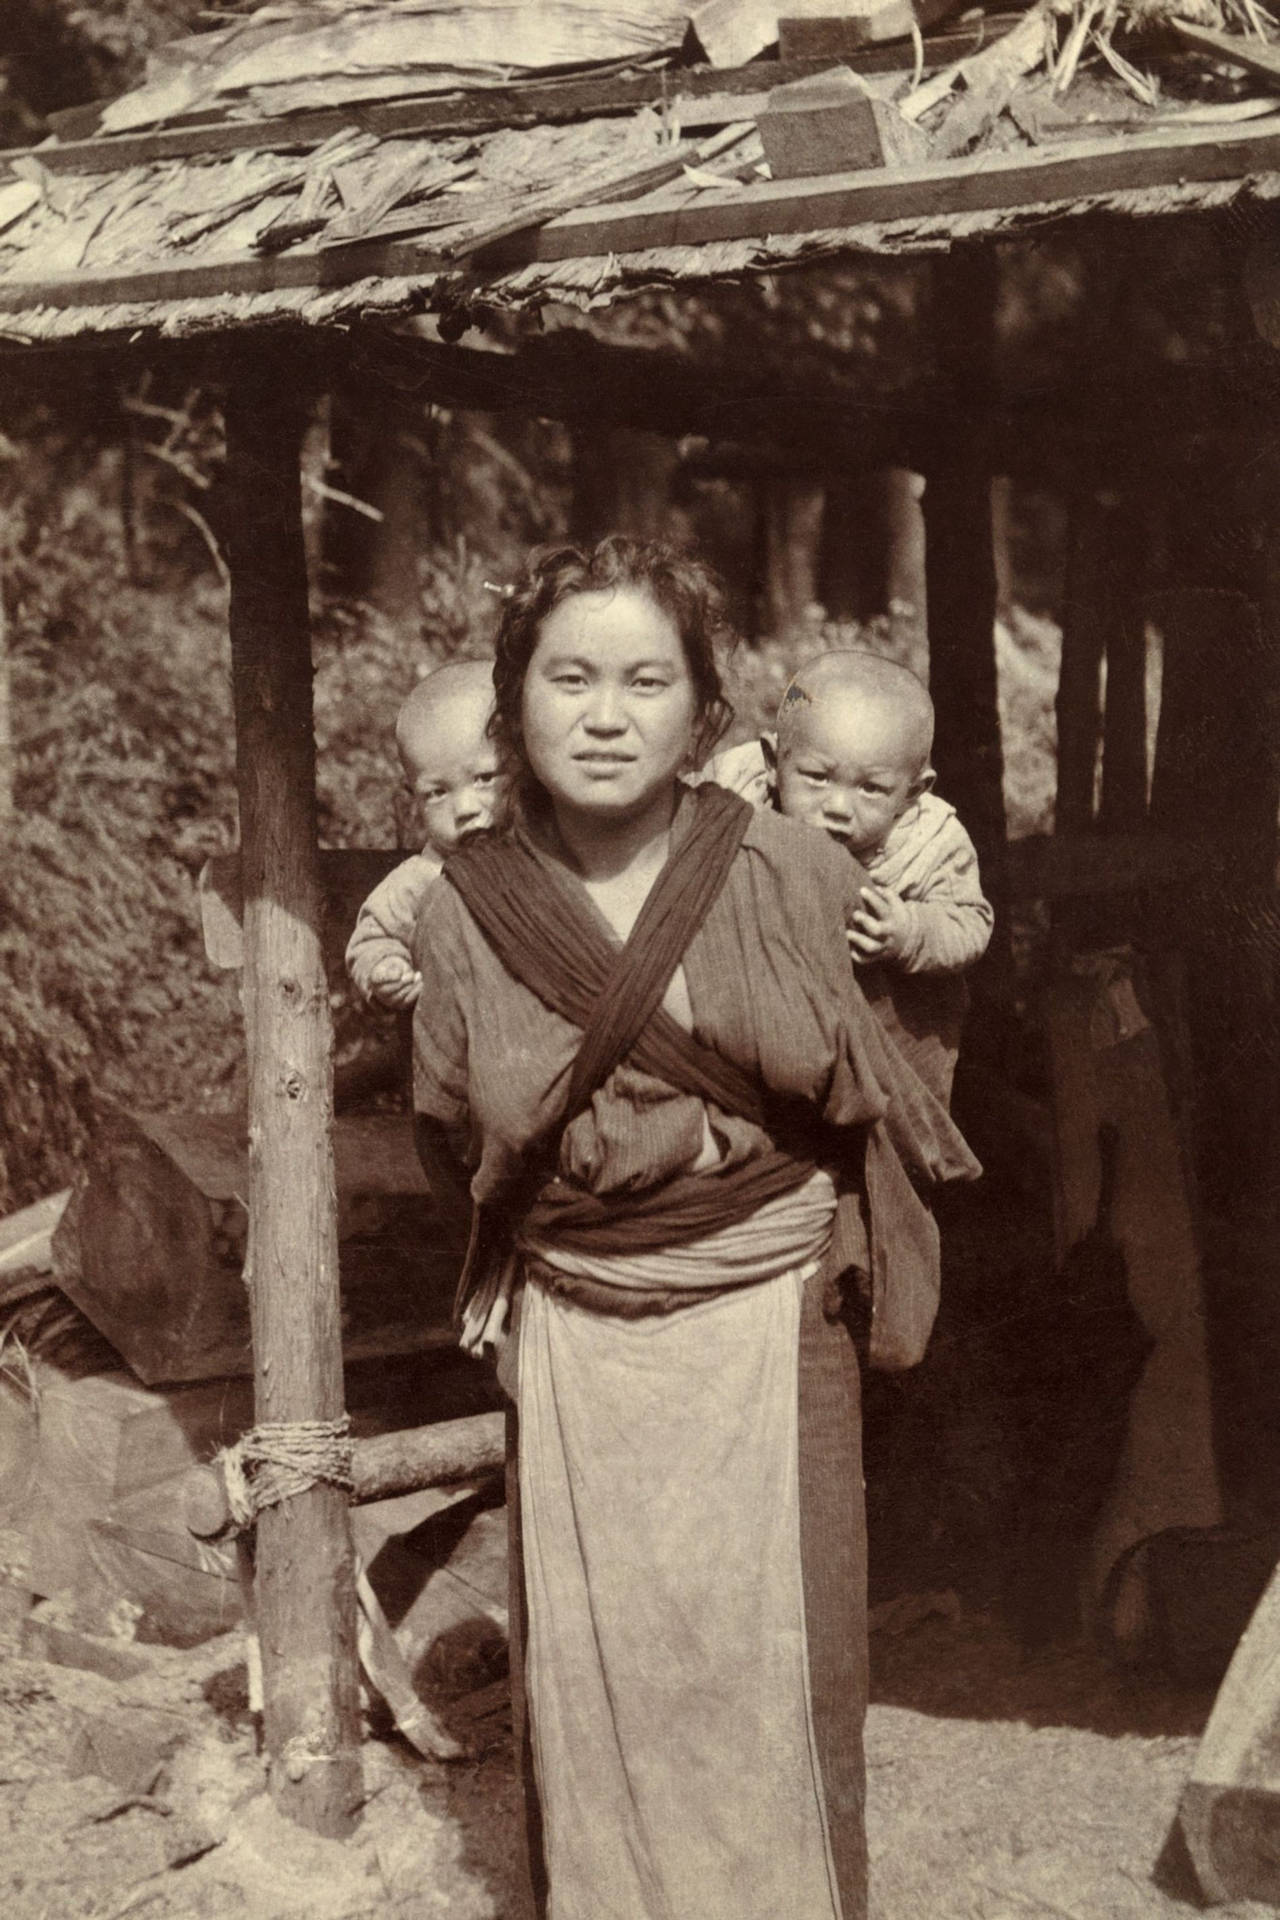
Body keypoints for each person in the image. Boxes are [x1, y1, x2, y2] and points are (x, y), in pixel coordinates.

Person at [410, 537, 980, 1920]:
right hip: (575, 1344)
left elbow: (899, 1071)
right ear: (514, 705)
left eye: (647, 681)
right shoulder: (461, 910)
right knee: (596, 1690)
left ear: (705, 715)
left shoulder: (794, 871)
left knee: (781, 1679)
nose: (606, 715)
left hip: (767, 1324)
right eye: (571, 678)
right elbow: (450, 1129)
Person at [705, 649, 993, 1105]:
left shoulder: (930, 841)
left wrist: (910, 931)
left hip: (889, 1019)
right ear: (772, 761)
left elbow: (970, 921)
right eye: (818, 777)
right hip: (771, 1010)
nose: (838, 808)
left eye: (871, 789)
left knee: (896, 1117)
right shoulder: (733, 788)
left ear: (913, 793)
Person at [344, 658, 497, 1009]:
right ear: (414, 798)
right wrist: (386, 967)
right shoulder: (421, 878)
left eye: (485, 779)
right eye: (437, 793)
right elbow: (374, 936)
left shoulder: (548, 848)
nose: (465, 809)